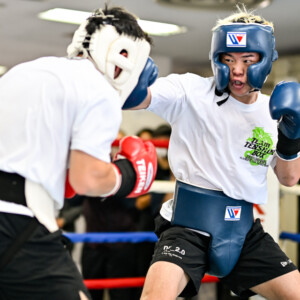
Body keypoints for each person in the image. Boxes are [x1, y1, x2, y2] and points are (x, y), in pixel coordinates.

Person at [131, 5, 300, 300]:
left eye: (248, 60)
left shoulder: (273, 112)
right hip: (187, 226)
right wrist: (130, 84)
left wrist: (291, 135)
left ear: (266, 60)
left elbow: (289, 178)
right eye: (228, 59)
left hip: (245, 232)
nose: (237, 69)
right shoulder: (190, 92)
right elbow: (142, 98)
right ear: (216, 58)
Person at [0, 5, 158, 300]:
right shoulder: (99, 91)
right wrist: (128, 174)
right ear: (124, 56)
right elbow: (88, 179)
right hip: (17, 220)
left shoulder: (26, 70)